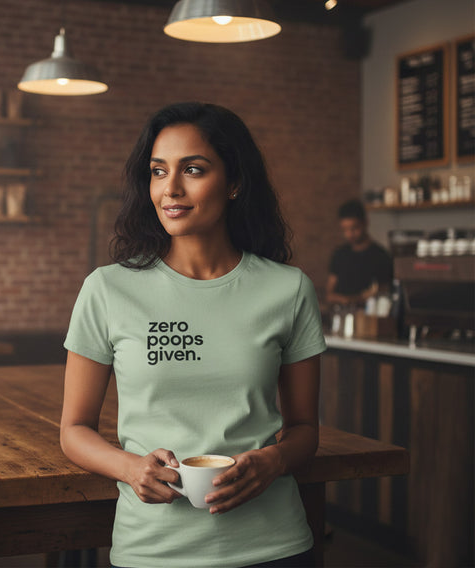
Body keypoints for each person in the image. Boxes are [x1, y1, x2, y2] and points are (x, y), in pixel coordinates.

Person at [60, 102, 326, 568]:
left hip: (274, 544)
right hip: (153, 549)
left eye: (194, 169)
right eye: (159, 171)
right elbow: (74, 430)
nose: (171, 189)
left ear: (235, 182)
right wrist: (131, 467)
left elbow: (305, 429)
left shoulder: (288, 289)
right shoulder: (107, 289)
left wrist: (274, 461)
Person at [325, 199, 393, 307]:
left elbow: (385, 293)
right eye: (345, 230)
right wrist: (353, 299)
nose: (350, 234)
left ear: (365, 222)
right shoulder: (339, 254)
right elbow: (329, 294)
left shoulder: (381, 256)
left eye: (354, 228)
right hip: (341, 316)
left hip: (368, 318)